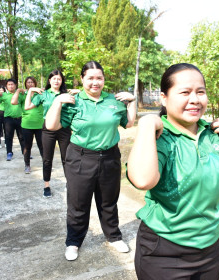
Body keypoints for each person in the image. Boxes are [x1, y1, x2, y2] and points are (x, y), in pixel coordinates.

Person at [127, 63, 219, 280]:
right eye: (185, 92)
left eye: (200, 92)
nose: (195, 99)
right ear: (164, 98)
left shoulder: (216, 134)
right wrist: (146, 125)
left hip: (210, 249)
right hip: (164, 252)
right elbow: (143, 180)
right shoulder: (160, 138)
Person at [45, 61, 136, 261]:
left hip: (110, 157)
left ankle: (113, 237)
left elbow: (129, 123)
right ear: (83, 79)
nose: (95, 82)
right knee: (78, 203)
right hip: (80, 158)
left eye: (99, 78)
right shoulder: (74, 101)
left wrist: (132, 101)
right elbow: (51, 126)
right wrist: (57, 101)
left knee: (108, 202)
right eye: (90, 78)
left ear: (104, 79)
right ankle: (73, 242)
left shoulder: (114, 100)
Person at [24, 70, 71, 198]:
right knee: (47, 158)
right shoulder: (43, 94)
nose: (57, 81)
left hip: (64, 128)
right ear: (49, 80)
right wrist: (30, 91)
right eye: (54, 78)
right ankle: (46, 185)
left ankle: (70, 183)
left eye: (59, 79)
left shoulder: (66, 94)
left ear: (62, 81)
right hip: (48, 129)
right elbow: (27, 106)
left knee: (66, 158)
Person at [11, 76, 43, 174]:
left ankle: (46, 164)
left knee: (42, 146)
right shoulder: (23, 95)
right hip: (26, 125)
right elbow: (13, 102)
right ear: (25, 84)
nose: (30, 84)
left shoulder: (40, 94)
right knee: (27, 147)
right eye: (28, 82)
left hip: (40, 125)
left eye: (32, 82)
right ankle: (27, 165)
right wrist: (18, 91)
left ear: (35, 84)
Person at [0, 79, 24, 161]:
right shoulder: (3, 95)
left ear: (15, 85)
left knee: (22, 137)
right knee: (9, 137)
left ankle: (25, 152)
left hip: (19, 118)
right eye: (9, 84)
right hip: (8, 119)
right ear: (6, 86)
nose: (10, 86)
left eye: (12, 84)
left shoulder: (20, 94)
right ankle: (9, 153)